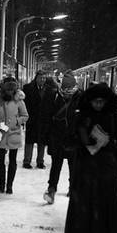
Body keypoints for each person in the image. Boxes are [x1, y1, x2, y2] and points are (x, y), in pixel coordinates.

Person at [63, 83, 117, 233]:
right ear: (90, 101)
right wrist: (83, 140)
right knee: (83, 212)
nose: (98, 105)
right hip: (85, 170)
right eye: (95, 101)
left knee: (106, 212)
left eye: (101, 101)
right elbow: (67, 141)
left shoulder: (113, 116)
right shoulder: (81, 116)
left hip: (106, 172)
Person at [44, 70, 82, 204]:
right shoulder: (55, 96)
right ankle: (51, 190)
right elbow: (48, 116)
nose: (67, 90)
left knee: (73, 166)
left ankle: (73, 188)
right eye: (65, 87)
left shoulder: (80, 97)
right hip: (57, 138)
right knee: (56, 166)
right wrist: (48, 136)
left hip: (73, 139)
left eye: (70, 87)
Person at [0, 77, 29, 194]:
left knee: (12, 161)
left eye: (11, 89)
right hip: (0, 133)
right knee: (0, 161)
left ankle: (9, 186)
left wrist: (16, 121)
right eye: (7, 89)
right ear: (4, 88)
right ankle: (1, 185)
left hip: (14, 133)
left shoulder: (18, 99)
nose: (9, 91)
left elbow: (25, 115)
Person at [22, 70, 56, 169]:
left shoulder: (50, 90)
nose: (42, 80)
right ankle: (27, 161)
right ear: (36, 78)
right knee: (29, 141)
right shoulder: (27, 88)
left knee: (42, 142)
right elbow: (25, 104)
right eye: (41, 78)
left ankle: (40, 161)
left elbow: (52, 106)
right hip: (32, 119)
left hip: (44, 120)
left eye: (44, 78)